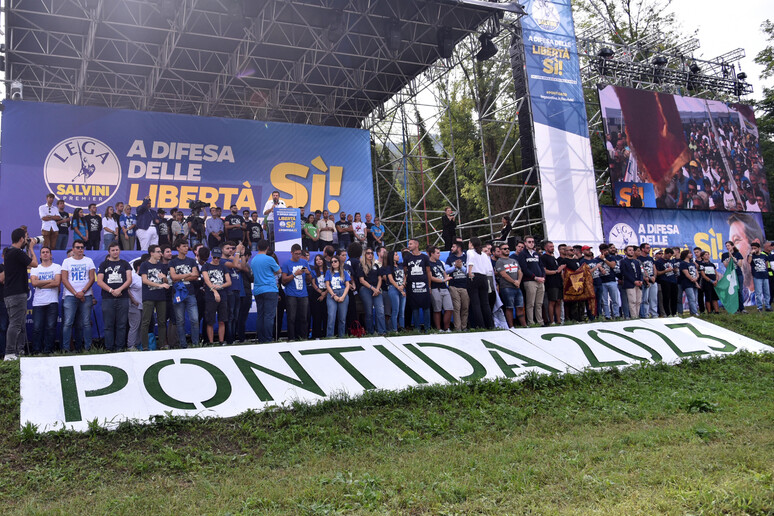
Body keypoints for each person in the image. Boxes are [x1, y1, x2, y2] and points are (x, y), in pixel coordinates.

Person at [95, 242, 132, 352]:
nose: (115, 252)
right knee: (108, 325)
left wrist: (120, 289)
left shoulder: (125, 264)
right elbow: (99, 281)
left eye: (117, 250)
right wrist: (111, 290)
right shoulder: (104, 264)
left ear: (119, 251)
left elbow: (129, 279)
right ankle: (109, 348)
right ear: (109, 252)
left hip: (123, 297)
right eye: (113, 250)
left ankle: (120, 347)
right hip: (108, 298)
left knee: (121, 324)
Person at [61, 240, 95, 352]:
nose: (80, 249)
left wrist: (83, 292)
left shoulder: (89, 261)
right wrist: (76, 293)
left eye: (82, 247)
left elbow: (92, 279)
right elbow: (64, 279)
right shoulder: (67, 261)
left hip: (86, 295)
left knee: (85, 323)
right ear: (73, 249)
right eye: (78, 247)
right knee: (68, 323)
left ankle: (87, 348)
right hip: (71, 296)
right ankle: (66, 349)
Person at [168, 240, 200, 348]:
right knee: (180, 320)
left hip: (190, 293)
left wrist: (181, 276)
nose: (186, 248)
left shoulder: (191, 261)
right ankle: (183, 345)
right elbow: (173, 277)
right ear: (178, 248)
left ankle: (195, 343)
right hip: (178, 293)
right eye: (184, 246)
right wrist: (189, 274)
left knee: (195, 319)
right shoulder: (172, 262)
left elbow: (195, 276)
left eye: (187, 246)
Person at [30, 246, 60, 355]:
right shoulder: (35, 268)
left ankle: (49, 350)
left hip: (52, 301)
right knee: (37, 327)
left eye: (47, 252)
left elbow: (56, 283)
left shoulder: (57, 267)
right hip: (38, 302)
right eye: (43, 252)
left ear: (51, 255)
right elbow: (34, 283)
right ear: (40, 255)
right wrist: (49, 281)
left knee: (51, 327)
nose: (45, 254)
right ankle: (36, 350)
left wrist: (40, 284)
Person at [139, 245, 171, 350]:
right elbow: (144, 280)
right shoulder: (144, 265)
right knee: (146, 321)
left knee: (162, 321)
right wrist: (159, 285)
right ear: (151, 253)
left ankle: (162, 345)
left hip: (161, 297)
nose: (160, 254)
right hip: (149, 296)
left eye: (160, 252)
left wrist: (165, 278)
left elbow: (167, 282)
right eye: (158, 252)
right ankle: (145, 346)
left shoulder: (162, 266)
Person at [251, 239, 280, 343]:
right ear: (268, 248)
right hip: (270, 289)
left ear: (258, 247)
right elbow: (279, 271)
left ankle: (261, 339)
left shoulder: (253, 260)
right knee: (269, 316)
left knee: (260, 316)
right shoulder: (269, 259)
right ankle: (268, 340)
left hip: (258, 290)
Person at [281, 244, 312, 340]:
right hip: (291, 294)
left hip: (303, 294)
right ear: (291, 253)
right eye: (296, 254)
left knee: (304, 318)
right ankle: (291, 338)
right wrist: (295, 274)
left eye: (299, 254)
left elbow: (309, 280)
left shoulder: (304, 262)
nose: (298, 256)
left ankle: (303, 337)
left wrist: (308, 274)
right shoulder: (286, 263)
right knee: (291, 318)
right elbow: (283, 280)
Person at [201, 246, 231, 345]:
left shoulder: (223, 267)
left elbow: (229, 282)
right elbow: (206, 280)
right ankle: (211, 341)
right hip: (210, 296)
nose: (217, 259)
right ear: (212, 256)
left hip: (222, 294)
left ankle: (221, 341)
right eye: (215, 257)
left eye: (218, 258)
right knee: (210, 320)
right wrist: (214, 290)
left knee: (222, 320)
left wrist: (220, 286)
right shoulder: (206, 266)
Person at [403, 239, 433, 331]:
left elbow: (428, 272)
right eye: (409, 244)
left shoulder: (424, 257)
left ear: (417, 245)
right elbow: (405, 271)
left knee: (426, 307)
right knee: (414, 307)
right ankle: (417, 328)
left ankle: (427, 328)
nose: (409, 245)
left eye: (411, 244)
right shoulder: (407, 257)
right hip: (412, 286)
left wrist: (429, 286)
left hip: (424, 285)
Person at [466, 237, 495, 329]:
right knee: (485, 303)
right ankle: (490, 324)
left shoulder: (470, 252)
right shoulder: (484, 254)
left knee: (476, 303)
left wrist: (470, 272)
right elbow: (489, 269)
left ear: (471, 243)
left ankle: (480, 325)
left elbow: (471, 261)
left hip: (474, 276)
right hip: (484, 277)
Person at [356, 245, 386, 334]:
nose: (370, 255)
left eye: (371, 253)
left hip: (376, 288)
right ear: (364, 254)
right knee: (369, 312)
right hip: (366, 288)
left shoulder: (376, 265)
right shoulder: (360, 265)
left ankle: (382, 331)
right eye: (368, 253)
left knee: (380, 310)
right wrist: (372, 288)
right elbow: (361, 280)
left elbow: (380, 278)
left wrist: (377, 289)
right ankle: (370, 332)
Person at [222, 241, 248, 344]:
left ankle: (233, 338)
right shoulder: (221, 260)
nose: (230, 250)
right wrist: (237, 252)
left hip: (237, 290)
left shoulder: (233, 258)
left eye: (232, 248)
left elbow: (243, 266)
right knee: (230, 315)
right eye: (227, 248)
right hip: (229, 291)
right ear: (222, 250)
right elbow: (233, 265)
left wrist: (241, 254)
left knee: (236, 316)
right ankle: (229, 339)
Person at [517, 235, 545, 326]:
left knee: (539, 303)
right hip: (530, 281)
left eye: (533, 242)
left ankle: (540, 322)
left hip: (540, 281)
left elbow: (541, 266)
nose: (531, 243)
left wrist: (543, 276)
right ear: (525, 243)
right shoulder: (522, 254)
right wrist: (535, 277)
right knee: (530, 303)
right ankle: (531, 322)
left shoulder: (536, 253)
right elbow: (524, 269)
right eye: (529, 242)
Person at [496, 242, 525, 328]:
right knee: (509, 307)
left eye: (508, 248)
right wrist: (514, 282)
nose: (507, 250)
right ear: (500, 251)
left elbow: (520, 272)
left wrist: (518, 281)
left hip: (517, 286)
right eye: (505, 249)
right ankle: (511, 326)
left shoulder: (514, 260)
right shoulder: (499, 261)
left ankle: (524, 325)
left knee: (520, 306)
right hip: (507, 287)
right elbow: (503, 274)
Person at [445, 240, 469, 331]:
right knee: (456, 307)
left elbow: (469, 272)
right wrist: (455, 266)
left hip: (465, 286)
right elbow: (446, 271)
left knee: (465, 307)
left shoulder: (466, 257)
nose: (451, 248)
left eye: (453, 247)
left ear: (459, 248)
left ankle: (464, 327)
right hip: (453, 286)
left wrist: (461, 267)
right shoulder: (450, 258)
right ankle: (457, 328)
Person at [325, 256, 351, 337]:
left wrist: (343, 296)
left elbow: (347, 285)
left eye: (335, 261)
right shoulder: (328, 272)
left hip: (343, 292)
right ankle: (329, 337)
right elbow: (327, 285)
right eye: (332, 262)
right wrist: (333, 295)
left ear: (339, 262)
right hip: (332, 293)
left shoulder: (344, 272)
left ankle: (341, 337)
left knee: (342, 318)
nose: (333, 263)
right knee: (331, 317)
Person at [428, 246, 453, 331]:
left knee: (449, 308)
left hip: (444, 287)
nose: (439, 254)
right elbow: (430, 277)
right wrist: (443, 280)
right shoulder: (428, 263)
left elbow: (444, 272)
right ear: (432, 254)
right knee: (437, 309)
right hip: (435, 288)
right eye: (437, 253)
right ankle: (439, 328)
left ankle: (446, 327)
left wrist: (446, 278)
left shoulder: (439, 262)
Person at [540, 241, 564, 325]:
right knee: (552, 301)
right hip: (551, 283)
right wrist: (557, 271)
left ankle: (558, 320)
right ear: (546, 248)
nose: (552, 248)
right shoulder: (544, 257)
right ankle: (551, 320)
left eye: (553, 246)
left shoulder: (554, 258)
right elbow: (544, 271)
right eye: (550, 246)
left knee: (558, 301)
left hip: (558, 282)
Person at [384, 250, 406, 332]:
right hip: (393, 288)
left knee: (402, 311)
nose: (398, 256)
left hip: (402, 287)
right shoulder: (389, 267)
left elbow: (405, 276)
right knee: (395, 310)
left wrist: (403, 285)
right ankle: (394, 329)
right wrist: (399, 288)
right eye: (396, 255)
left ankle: (402, 327)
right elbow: (391, 279)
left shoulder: (400, 265)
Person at [721, 241, 746, 313]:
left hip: (738, 274)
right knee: (732, 291)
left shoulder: (738, 254)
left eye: (728, 245)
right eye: (726, 246)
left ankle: (741, 308)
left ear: (732, 246)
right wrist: (729, 258)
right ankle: (734, 308)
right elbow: (726, 266)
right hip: (730, 275)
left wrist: (733, 257)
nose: (727, 247)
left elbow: (740, 265)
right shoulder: (724, 255)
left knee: (739, 290)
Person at [747, 242, 772, 312]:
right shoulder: (751, 256)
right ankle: (759, 307)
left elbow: (766, 265)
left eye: (755, 248)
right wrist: (751, 254)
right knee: (758, 292)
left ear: (759, 248)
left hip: (765, 275)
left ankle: (767, 306)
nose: (753, 249)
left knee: (767, 292)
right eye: (752, 248)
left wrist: (766, 272)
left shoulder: (764, 256)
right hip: (757, 276)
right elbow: (749, 262)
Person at [308, 254, 328, 339]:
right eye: (317, 260)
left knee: (326, 315)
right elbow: (313, 283)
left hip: (327, 293)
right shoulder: (313, 271)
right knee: (317, 316)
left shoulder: (328, 271)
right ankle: (316, 335)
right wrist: (320, 292)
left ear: (323, 260)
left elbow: (330, 283)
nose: (319, 261)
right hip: (316, 294)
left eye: (320, 259)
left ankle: (326, 334)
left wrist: (325, 293)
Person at [621, 245, 643, 318]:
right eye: (629, 250)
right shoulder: (623, 261)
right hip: (630, 284)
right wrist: (634, 281)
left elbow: (640, 272)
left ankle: (637, 315)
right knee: (632, 301)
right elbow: (625, 273)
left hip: (638, 284)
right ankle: (634, 317)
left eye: (632, 250)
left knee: (638, 301)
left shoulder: (636, 262)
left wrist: (641, 280)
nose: (631, 251)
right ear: (625, 252)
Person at [127, 259, 144, 351]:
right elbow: (127, 288)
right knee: (134, 325)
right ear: (139, 267)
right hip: (134, 305)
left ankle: (138, 344)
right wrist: (133, 300)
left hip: (144, 305)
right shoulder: (133, 277)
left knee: (142, 325)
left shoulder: (145, 277)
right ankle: (131, 345)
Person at [655, 248, 678, 316]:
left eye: (670, 256)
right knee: (666, 297)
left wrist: (674, 270)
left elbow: (673, 270)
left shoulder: (671, 261)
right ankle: (667, 313)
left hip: (673, 280)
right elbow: (658, 273)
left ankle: (674, 312)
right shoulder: (659, 262)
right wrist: (666, 271)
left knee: (674, 297)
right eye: (668, 255)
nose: (669, 257)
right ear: (665, 254)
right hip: (664, 281)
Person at [678, 249, 700, 316]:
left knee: (695, 299)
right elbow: (686, 274)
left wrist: (696, 278)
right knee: (691, 298)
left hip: (694, 282)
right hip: (687, 283)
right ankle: (694, 312)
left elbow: (696, 272)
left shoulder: (692, 263)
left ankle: (693, 311)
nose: (691, 254)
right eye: (690, 253)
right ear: (686, 255)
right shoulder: (683, 263)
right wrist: (692, 279)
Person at [638, 243, 658, 318]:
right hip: (645, 281)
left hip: (653, 280)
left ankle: (654, 314)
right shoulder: (639, 259)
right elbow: (641, 270)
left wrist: (654, 277)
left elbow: (654, 268)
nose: (649, 249)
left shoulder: (650, 258)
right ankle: (645, 314)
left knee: (653, 299)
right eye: (647, 248)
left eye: (649, 248)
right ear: (642, 249)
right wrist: (648, 278)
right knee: (645, 299)